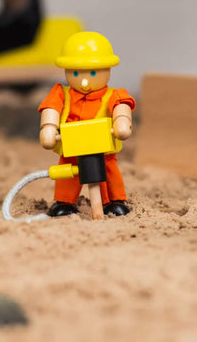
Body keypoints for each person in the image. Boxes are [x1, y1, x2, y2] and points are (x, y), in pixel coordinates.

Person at [39, 32, 135, 217]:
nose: (84, 81)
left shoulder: (113, 94)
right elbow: (51, 108)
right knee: (68, 170)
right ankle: (64, 202)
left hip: (103, 146)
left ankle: (113, 201)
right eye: (75, 73)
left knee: (109, 169)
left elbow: (121, 106)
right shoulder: (62, 93)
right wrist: (48, 127)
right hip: (72, 144)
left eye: (92, 73)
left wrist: (122, 121)